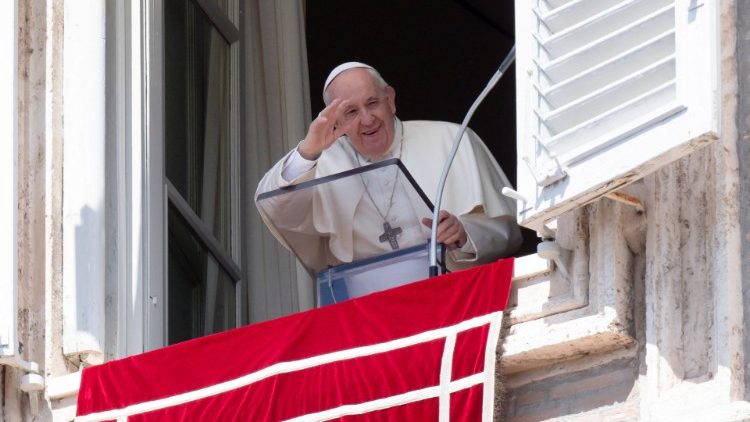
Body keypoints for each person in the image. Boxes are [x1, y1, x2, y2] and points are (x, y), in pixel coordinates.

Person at [256, 62, 521, 273]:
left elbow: (509, 232)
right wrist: (308, 151)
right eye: (351, 112)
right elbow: (274, 207)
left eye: (372, 103)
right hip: (367, 311)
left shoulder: (452, 139)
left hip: (451, 293)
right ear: (336, 119)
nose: (367, 119)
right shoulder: (321, 165)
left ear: (390, 99)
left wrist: (464, 234)